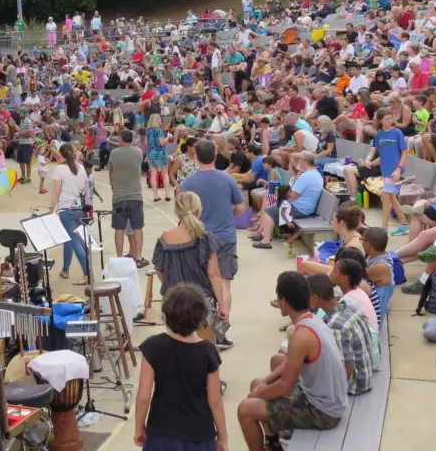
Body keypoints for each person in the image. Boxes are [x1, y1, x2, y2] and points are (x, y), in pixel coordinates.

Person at [237, 272, 348, 451]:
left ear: (284, 303)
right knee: (257, 383)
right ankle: (273, 444)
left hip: (324, 412)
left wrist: (256, 396)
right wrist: (264, 383)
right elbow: (288, 361)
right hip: (322, 397)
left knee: (245, 409)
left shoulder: (301, 336)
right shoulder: (312, 320)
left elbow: (284, 386)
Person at [135, 283, 229, 451]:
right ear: (200, 320)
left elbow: (143, 396)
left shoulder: (153, 346)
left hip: (161, 434)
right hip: (200, 435)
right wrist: (222, 437)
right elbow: (215, 400)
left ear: (167, 315)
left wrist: (139, 428)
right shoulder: (208, 351)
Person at [181, 140, 246, 348]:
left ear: (196, 156)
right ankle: (221, 333)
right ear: (215, 155)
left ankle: (203, 331)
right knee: (224, 282)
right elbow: (240, 208)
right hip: (225, 237)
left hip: (198, 238)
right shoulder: (227, 179)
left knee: (201, 286)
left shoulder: (188, 183)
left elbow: (182, 213)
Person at [153, 192, 230, 332]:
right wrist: (222, 305)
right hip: (201, 302)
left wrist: (171, 284)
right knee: (205, 349)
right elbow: (214, 275)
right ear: (198, 210)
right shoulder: (205, 239)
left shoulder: (164, 239)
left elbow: (159, 270)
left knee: (177, 349)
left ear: (177, 212)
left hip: (173, 303)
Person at [306, 273, 374, 396]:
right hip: (365, 375)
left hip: (355, 385)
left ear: (314, 298)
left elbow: (345, 370)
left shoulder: (336, 326)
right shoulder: (350, 307)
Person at [253, 151, 323, 249]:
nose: (297, 161)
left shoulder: (306, 176)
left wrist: (279, 199)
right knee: (270, 203)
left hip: (300, 209)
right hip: (303, 207)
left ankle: (265, 241)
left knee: (269, 211)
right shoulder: (314, 173)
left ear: (303, 161)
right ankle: (263, 234)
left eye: (299, 159)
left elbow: (291, 195)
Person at [50, 142, 90, 284]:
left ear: (61, 154)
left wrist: (50, 208)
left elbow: (56, 192)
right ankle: (65, 269)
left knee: (74, 241)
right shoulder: (81, 168)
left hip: (66, 209)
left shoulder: (59, 169)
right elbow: (86, 192)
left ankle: (87, 274)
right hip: (80, 209)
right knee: (69, 238)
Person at [109, 128, 146, 265]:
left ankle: (119, 257)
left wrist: (114, 190)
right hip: (136, 196)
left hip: (119, 197)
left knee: (119, 229)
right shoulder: (138, 152)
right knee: (137, 228)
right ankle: (138, 256)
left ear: (120, 139)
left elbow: (111, 174)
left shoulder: (114, 153)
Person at [372, 108, 410, 235]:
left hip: (395, 171)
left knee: (385, 197)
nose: (390, 121)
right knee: (392, 198)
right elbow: (381, 154)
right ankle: (405, 224)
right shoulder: (379, 134)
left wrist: (398, 169)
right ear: (380, 120)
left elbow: (405, 152)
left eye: (391, 118)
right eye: (387, 119)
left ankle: (383, 228)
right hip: (385, 170)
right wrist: (370, 162)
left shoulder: (397, 132)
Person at [146, 114, 170, 202]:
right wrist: (167, 137)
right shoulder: (159, 131)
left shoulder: (148, 131)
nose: (161, 120)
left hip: (151, 154)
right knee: (165, 174)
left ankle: (156, 196)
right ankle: (167, 195)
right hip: (160, 154)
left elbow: (147, 142)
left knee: (153, 175)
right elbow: (162, 143)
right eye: (160, 119)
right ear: (156, 120)